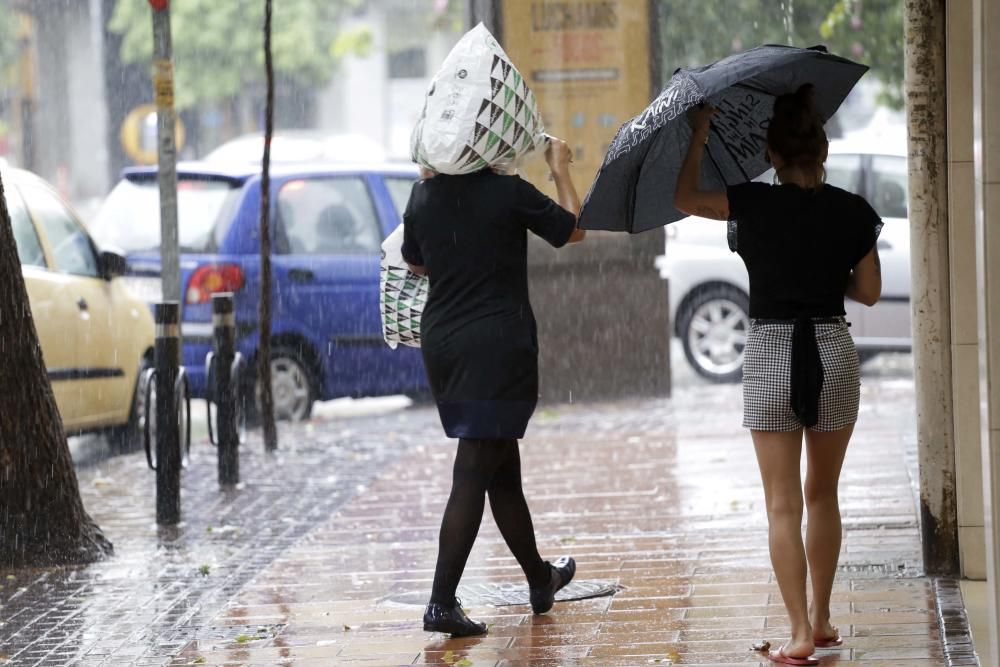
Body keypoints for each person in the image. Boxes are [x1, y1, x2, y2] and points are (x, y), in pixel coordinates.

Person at [673, 84, 883, 666]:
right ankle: (821, 618)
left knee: (782, 503)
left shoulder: (751, 206)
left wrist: (698, 134)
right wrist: (824, 277)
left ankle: (795, 633)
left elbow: (685, 195)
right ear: (823, 151)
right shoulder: (853, 212)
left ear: (771, 154)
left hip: (770, 354)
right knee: (824, 495)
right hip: (831, 348)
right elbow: (867, 291)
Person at [401, 138, 586, 637]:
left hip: (445, 343)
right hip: (497, 344)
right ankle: (440, 602)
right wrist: (559, 168)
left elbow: (416, 263)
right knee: (474, 468)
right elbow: (573, 230)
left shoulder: (423, 196)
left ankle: (539, 578)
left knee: (500, 468)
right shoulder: (507, 192)